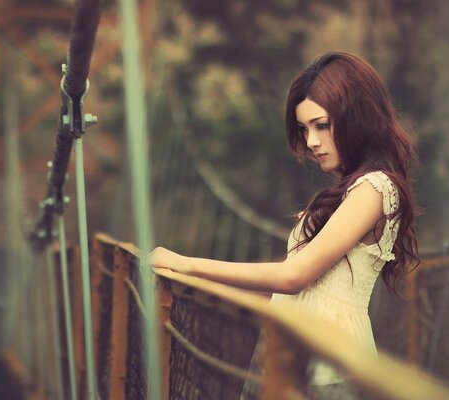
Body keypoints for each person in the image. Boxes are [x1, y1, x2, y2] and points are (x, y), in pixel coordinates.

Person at [150, 51, 419, 396]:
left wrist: (184, 265)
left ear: (357, 117)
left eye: (321, 125)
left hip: (327, 365)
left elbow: (293, 277)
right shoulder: (354, 189)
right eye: (305, 129)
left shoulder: (375, 189)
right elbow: (295, 280)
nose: (311, 142)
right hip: (291, 355)